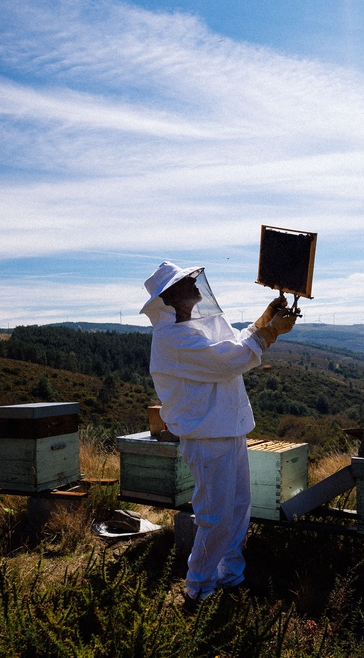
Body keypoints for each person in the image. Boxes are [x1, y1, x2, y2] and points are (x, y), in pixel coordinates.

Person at [140, 260, 297, 606]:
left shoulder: (196, 327)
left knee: (238, 509)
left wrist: (263, 319)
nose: (196, 285)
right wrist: (270, 333)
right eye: (187, 283)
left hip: (226, 430)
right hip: (207, 437)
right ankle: (198, 589)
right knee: (215, 516)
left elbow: (232, 344)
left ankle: (230, 577)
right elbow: (230, 360)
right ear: (171, 296)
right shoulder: (172, 339)